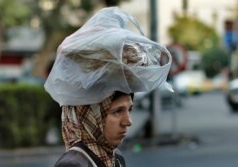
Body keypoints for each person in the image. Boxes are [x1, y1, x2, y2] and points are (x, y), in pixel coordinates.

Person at [44, 7, 172, 167]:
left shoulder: (115, 158)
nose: (128, 121)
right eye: (117, 111)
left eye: (129, 109)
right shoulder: (74, 164)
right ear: (91, 116)